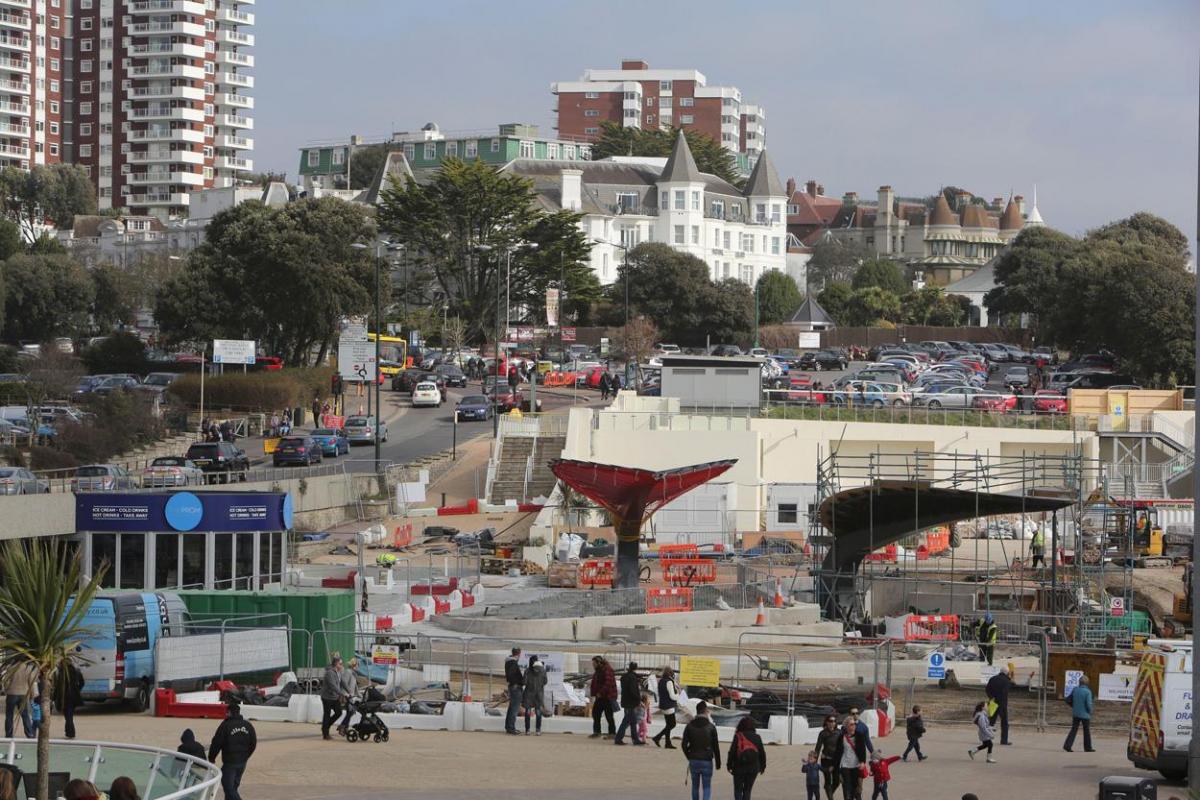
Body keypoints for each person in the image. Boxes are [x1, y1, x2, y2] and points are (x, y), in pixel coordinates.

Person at [208, 702, 256, 800]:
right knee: (233, 787)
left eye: (227, 712)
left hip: (230, 762)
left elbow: (216, 743)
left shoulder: (225, 726)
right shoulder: (248, 725)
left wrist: (211, 758)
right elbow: (253, 743)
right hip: (242, 762)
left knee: (228, 788)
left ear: (229, 712)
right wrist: (246, 756)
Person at [681, 700, 721, 800]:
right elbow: (716, 746)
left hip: (694, 759)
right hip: (707, 760)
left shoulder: (689, 726)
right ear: (705, 711)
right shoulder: (711, 727)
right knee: (706, 786)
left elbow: (683, 744)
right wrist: (718, 762)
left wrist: (689, 756)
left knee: (695, 786)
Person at [726, 716, 766, 800]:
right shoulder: (757, 737)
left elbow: (732, 752)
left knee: (738, 790)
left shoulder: (738, 736)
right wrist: (762, 767)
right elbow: (762, 753)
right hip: (753, 768)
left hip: (739, 767)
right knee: (747, 790)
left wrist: (729, 765)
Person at [833, 715, 868, 800]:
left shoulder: (859, 736)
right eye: (851, 724)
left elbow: (863, 750)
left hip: (856, 765)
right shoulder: (841, 737)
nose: (853, 726)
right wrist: (836, 768)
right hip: (845, 765)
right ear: (846, 726)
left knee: (855, 787)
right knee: (846, 787)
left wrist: (863, 762)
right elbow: (837, 753)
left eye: (854, 724)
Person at [613, 661, 644, 745]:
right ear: (636, 668)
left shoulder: (625, 676)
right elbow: (633, 690)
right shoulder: (632, 678)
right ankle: (619, 739)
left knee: (631, 721)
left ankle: (635, 739)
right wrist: (639, 699)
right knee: (627, 721)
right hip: (631, 702)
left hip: (626, 701)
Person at [814, 714, 843, 800]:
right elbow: (818, 747)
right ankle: (830, 797)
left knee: (837, 781)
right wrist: (814, 761)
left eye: (834, 721)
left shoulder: (839, 732)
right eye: (830, 721)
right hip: (825, 760)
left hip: (836, 761)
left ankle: (828, 791)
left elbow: (842, 747)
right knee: (827, 780)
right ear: (827, 722)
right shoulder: (823, 733)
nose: (832, 723)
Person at [1063, 674, 1095, 753]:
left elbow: (1068, 699)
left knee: (1074, 729)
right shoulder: (1088, 692)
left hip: (1076, 713)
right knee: (1086, 730)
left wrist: (1073, 706)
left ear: (1079, 682)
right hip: (1085, 715)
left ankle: (1067, 745)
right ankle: (1087, 747)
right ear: (1087, 683)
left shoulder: (1075, 690)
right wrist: (1090, 711)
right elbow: (1088, 704)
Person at [319, 655, 347, 740]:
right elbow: (332, 685)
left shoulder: (338, 672)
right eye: (340, 663)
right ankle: (325, 734)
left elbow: (343, 682)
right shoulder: (329, 673)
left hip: (334, 697)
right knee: (327, 714)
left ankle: (325, 726)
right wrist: (341, 693)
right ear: (336, 664)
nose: (342, 665)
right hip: (327, 697)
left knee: (339, 712)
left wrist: (349, 691)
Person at [588, 655, 617, 739]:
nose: (593, 665)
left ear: (599, 663)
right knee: (596, 713)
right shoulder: (599, 671)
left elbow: (608, 683)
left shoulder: (607, 670)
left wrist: (600, 692)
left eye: (594, 663)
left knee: (609, 715)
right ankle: (597, 732)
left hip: (607, 697)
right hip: (600, 697)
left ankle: (612, 733)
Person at [986, 663, 1015, 745]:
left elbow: (987, 689)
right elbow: (1012, 687)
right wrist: (1011, 678)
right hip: (1002, 704)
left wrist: (991, 697)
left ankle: (986, 738)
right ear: (1007, 672)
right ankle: (1004, 740)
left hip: (993, 703)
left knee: (991, 722)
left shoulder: (992, 679)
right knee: (1004, 723)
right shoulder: (1007, 681)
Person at [3, 662, 34, 738]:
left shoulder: (10, 667)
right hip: (23, 694)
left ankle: (9, 735)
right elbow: (31, 682)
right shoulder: (28, 668)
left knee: (9, 715)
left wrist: (7, 690)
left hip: (12, 693)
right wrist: (32, 694)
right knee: (25, 715)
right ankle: (29, 733)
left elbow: (6, 681)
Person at [651, 665, 679, 748]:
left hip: (663, 704)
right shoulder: (669, 682)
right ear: (671, 673)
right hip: (669, 705)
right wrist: (679, 695)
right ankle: (657, 737)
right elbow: (672, 696)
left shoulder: (661, 681)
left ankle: (667, 743)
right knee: (672, 724)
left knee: (668, 725)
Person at [523, 654, 547, 736]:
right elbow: (545, 682)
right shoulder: (543, 670)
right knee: (538, 712)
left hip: (528, 693)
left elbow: (524, 682)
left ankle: (527, 730)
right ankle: (538, 730)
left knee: (528, 712)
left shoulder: (527, 671)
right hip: (539, 693)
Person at [504, 647, 524, 735]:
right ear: (519, 654)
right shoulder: (512, 663)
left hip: (512, 686)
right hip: (515, 687)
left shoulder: (509, 662)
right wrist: (516, 682)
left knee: (512, 707)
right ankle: (511, 727)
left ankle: (508, 726)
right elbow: (511, 675)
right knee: (514, 708)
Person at [337, 656, 359, 735]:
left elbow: (355, 685)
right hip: (345, 695)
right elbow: (344, 682)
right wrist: (348, 693)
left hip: (350, 696)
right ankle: (342, 727)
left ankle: (344, 727)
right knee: (350, 712)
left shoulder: (353, 673)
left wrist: (358, 694)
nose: (358, 667)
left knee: (350, 712)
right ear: (354, 665)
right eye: (357, 665)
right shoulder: (348, 672)